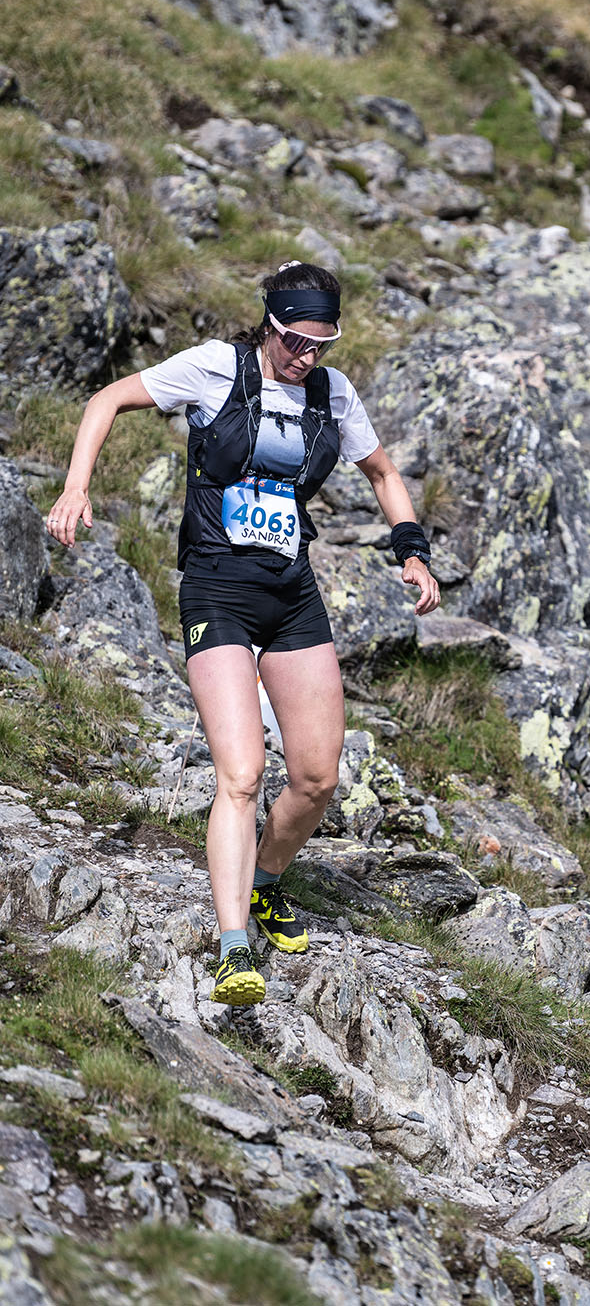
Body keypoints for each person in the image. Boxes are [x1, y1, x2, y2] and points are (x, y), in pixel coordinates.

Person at [47, 261, 440, 1006]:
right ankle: (234, 948)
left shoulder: (332, 394)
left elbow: (383, 474)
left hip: (290, 596)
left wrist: (412, 550)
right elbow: (108, 399)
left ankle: (264, 882)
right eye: (295, 340)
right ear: (270, 323)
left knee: (318, 777)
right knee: (242, 773)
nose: (306, 356)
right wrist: (77, 485)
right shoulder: (213, 369)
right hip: (217, 589)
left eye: (322, 343)